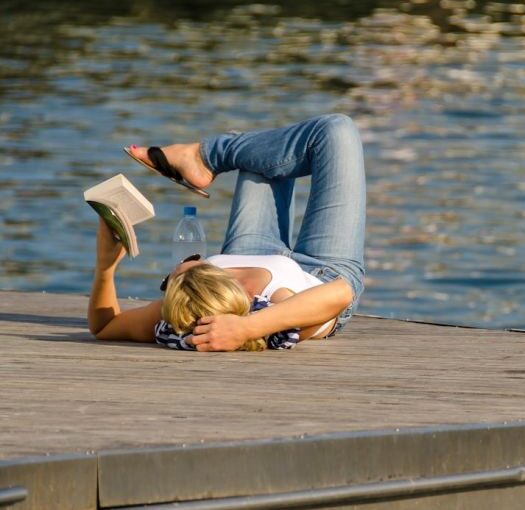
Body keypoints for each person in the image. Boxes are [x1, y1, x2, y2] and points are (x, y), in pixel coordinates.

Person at [87, 114, 366, 352]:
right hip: (323, 270)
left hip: (247, 250)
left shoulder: (179, 310)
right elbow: (340, 294)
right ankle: (206, 156)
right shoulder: (270, 310)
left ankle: (202, 159)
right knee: (336, 130)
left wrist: (105, 268)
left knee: (263, 153)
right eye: (170, 279)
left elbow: (105, 326)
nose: (169, 276)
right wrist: (247, 327)